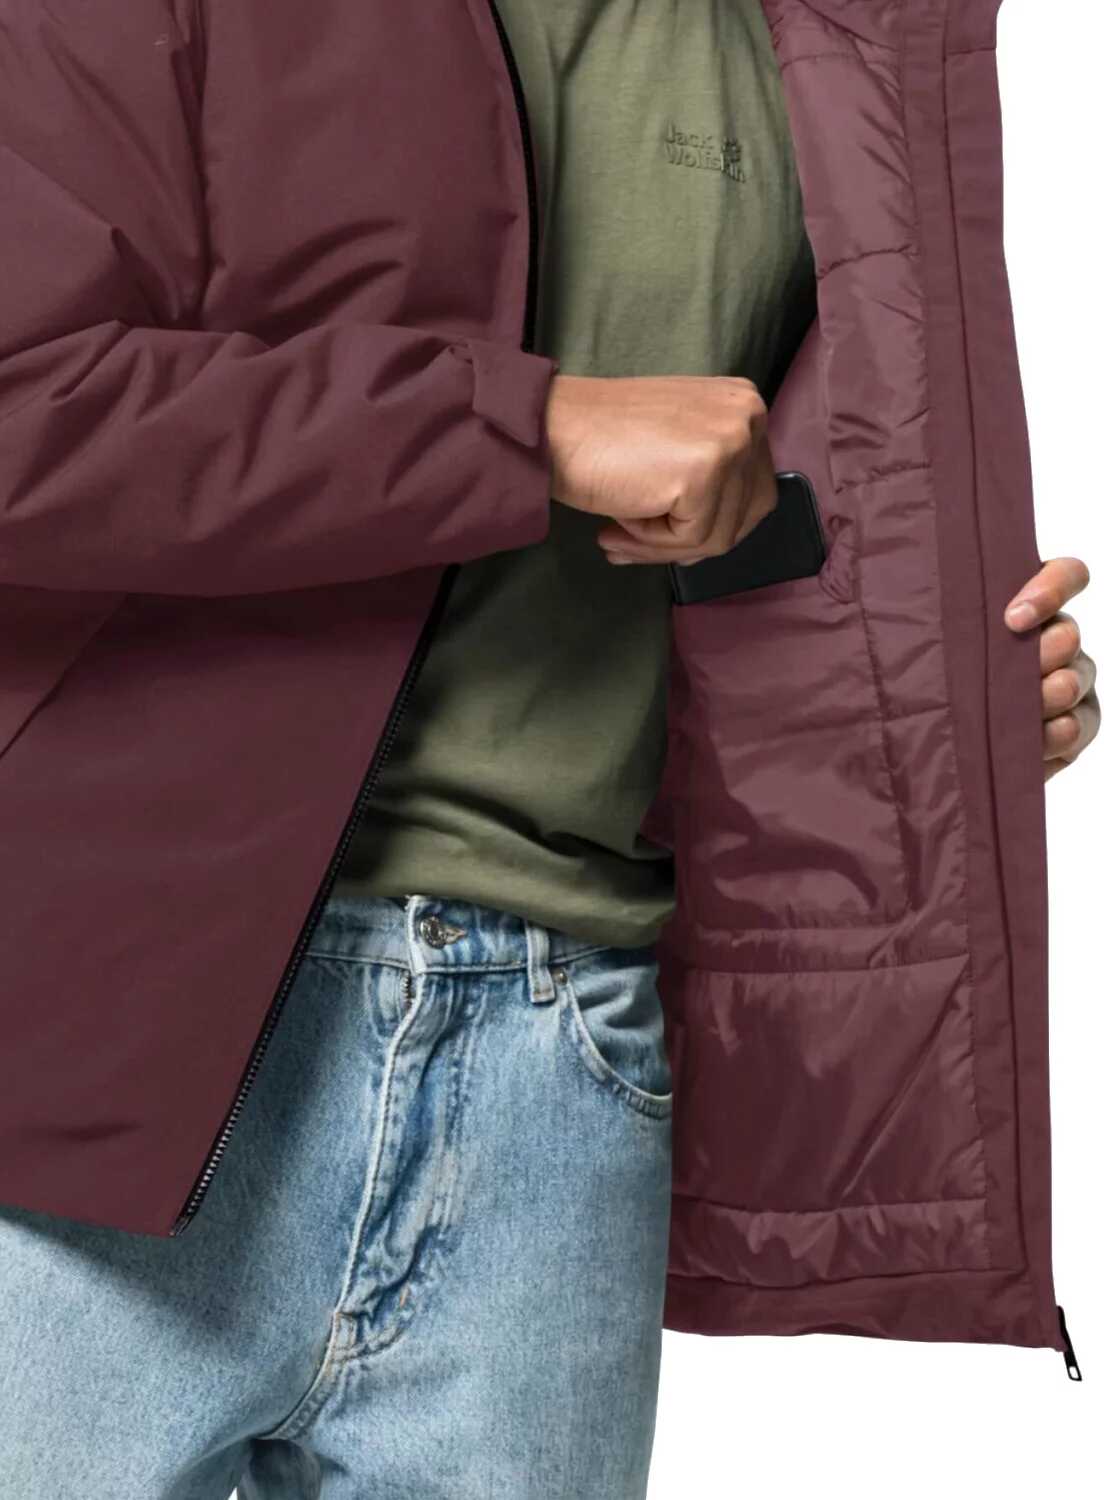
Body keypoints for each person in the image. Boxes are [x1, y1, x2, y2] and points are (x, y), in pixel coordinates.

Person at [0, 2, 1098, 1497]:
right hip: (111, 1041)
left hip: (564, 1056)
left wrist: (916, 710)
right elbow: (26, 403)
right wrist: (528, 429)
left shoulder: (829, 39)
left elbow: (754, 525)